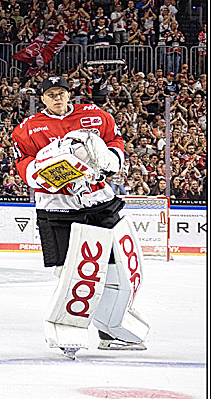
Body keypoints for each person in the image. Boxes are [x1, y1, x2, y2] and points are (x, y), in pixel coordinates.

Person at [11, 75, 148, 359]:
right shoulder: (28, 129)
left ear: (69, 94)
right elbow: (25, 166)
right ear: (43, 99)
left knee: (116, 267)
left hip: (99, 201)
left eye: (61, 92)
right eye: (51, 94)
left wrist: (110, 160)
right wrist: (46, 171)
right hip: (57, 206)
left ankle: (111, 328)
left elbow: (115, 142)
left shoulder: (96, 116)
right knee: (71, 272)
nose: (57, 98)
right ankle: (68, 328)